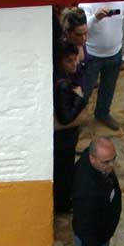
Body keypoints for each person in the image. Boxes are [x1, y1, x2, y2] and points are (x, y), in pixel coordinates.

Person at [81, 1, 124, 131]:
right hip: (91, 55)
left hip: (114, 54)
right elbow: (81, 27)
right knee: (85, 90)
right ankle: (78, 118)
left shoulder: (123, 0)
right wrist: (95, 18)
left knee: (108, 87)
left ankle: (102, 113)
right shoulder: (86, 1)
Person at [53, 39, 88, 213]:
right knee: (63, 173)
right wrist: (80, 99)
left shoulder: (62, 77)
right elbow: (65, 118)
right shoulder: (63, 85)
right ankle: (63, 204)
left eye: (75, 59)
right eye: (69, 60)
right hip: (63, 142)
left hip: (63, 141)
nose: (75, 64)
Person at [61, 7, 89, 90]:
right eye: (78, 35)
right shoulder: (64, 50)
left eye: (85, 33)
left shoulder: (82, 44)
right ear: (68, 33)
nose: (84, 38)